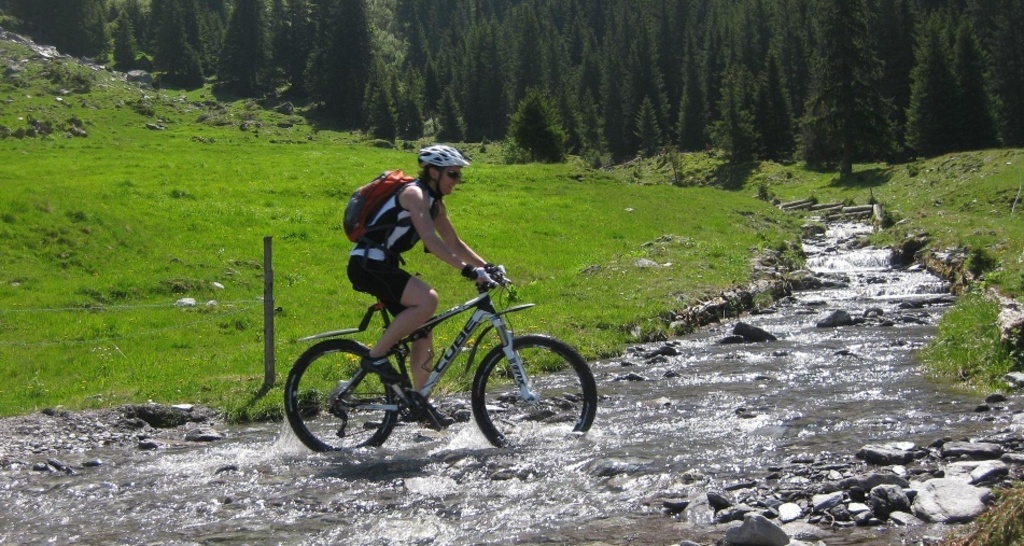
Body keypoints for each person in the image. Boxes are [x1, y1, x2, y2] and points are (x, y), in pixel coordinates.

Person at [346, 144, 497, 424]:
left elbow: (454, 242)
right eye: (452, 174)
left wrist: (487, 267)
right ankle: (376, 357)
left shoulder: (435, 203)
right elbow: (430, 239)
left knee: (423, 333)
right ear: (433, 172)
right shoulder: (414, 194)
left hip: (383, 265)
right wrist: (467, 271)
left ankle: (418, 403)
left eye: (458, 175)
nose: (456, 181)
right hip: (367, 263)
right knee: (428, 299)